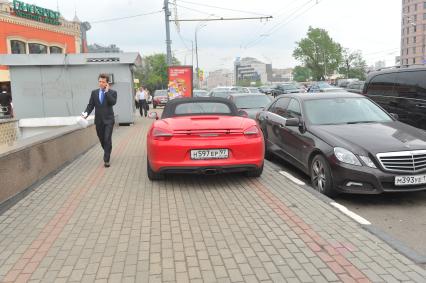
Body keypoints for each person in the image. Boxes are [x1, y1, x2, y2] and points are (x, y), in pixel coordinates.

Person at [82, 74, 117, 168]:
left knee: (107, 138)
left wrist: (106, 92)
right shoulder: (94, 93)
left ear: (107, 83)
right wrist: (85, 115)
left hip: (109, 120)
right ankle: (107, 150)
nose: (101, 83)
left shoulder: (113, 92)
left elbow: (112, 102)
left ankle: (106, 160)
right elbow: (90, 105)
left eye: (103, 82)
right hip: (98, 121)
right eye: (100, 81)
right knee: (102, 139)